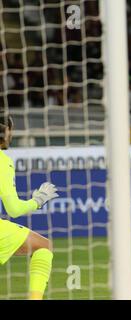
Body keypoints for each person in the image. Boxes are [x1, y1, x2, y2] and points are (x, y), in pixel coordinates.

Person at [0, 113, 59, 299]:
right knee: (44, 246)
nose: (11, 135)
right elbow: (14, 209)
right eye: (10, 130)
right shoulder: (3, 161)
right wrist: (38, 201)